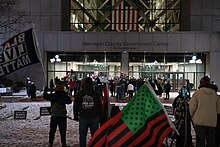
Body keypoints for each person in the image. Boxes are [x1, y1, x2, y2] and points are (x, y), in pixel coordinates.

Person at [189, 76, 220, 147]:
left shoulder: (197, 94)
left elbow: (192, 107)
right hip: (212, 121)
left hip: (199, 120)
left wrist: (192, 116)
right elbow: (218, 110)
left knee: (200, 141)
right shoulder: (216, 96)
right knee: (211, 140)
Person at [73, 77, 102, 147]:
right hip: (94, 117)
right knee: (95, 136)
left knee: (82, 136)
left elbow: (75, 105)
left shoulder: (80, 93)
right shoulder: (96, 93)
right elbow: (100, 106)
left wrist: (75, 116)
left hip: (83, 116)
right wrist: (100, 117)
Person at [44, 81, 72, 147]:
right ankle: (63, 144)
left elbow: (46, 97)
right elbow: (69, 101)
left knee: (52, 131)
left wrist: (45, 89)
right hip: (62, 115)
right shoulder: (64, 95)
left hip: (54, 115)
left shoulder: (53, 95)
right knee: (63, 131)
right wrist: (65, 94)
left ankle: (50, 143)